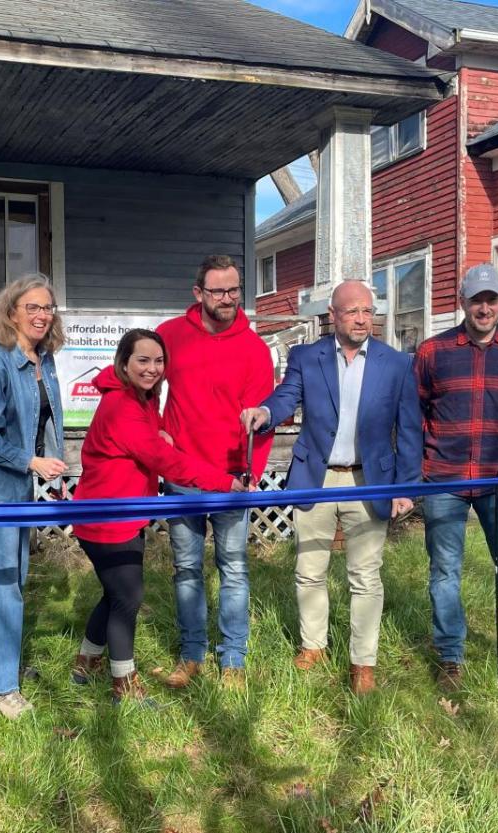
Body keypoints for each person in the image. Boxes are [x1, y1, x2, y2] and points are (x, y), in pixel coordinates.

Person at [242, 281, 421, 695]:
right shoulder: (307, 356)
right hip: (316, 478)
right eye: (352, 311)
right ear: (333, 316)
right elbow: (287, 397)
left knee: (365, 575)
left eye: (367, 311)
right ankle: (313, 646)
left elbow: (409, 429)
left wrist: (405, 487)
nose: (362, 319)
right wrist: (266, 411)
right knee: (309, 569)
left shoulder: (396, 364)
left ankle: (363, 661)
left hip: (369, 480)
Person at [71, 330, 245, 705]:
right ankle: (125, 685)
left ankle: (86, 660)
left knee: (115, 593)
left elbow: (149, 441)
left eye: (159, 361)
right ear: (124, 362)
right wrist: (223, 482)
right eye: (143, 361)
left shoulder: (142, 398)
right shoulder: (121, 405)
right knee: (128, 598)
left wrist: (159, 432)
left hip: (123, 513)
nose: (152, 369)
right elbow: (165, 461)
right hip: (107, 517)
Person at [414, 264, 498, 692]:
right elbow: (417, 411)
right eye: (476, 300)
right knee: (444, 570)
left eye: (491, 299)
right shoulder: (433, 352)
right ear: (462, 302)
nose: (484, 308)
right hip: (444, 478)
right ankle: (451, 655)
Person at [155, 254, 274, 688]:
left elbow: (262, 421)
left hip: (231, 480)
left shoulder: (254, 347)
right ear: (198, 293)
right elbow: (141, 383)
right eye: (219, 291)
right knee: (187, 569)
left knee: (234, 569)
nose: (228, 299)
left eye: (234, 290)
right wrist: (156, 433)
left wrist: (252, 472)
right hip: (181, 476)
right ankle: (192, 656)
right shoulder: (170, 336)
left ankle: (233, 661)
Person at [0, 274, 66, 719]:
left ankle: (4, 667)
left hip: (20, 487)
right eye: (32, 307)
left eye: (48, 308)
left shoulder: (43, 359)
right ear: (11, 313)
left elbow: (45, 421)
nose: (42, 315)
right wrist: (31, 462)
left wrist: (54, 467)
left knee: (15, 581)